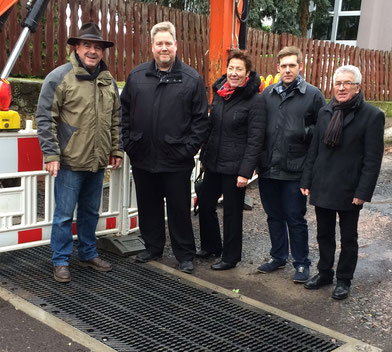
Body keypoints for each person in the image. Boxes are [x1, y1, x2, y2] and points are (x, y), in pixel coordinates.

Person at [35, 23, 122, 283]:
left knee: (90, 212)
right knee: (63, 215)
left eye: (98, 47)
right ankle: (60, 260)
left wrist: (115, 148)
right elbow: (45, 117)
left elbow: (116, 118)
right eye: (87, 45)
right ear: (76, 47)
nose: (93, 51)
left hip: (97, 161)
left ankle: (87, 252)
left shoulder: (108, 81)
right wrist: (51, 154)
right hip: (70, 161)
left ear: (103, 52)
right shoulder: (59, 76)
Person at [120, 21, 209, 274]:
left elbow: (200, 121)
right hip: (143, 155)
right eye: (159, 43)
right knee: (148, 206)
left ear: (176, 45)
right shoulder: (137, 76)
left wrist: (187, 149)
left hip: (176, 159)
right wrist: (128, 143)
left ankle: (185, 254)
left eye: (168, 43)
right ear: (152, 46)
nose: (163, 48)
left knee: (179, 209)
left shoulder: (191, 79)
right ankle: (152, 247)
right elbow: (123, 112)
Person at [300, 65, 384, 300]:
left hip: (350, 188)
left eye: (347, 83)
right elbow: (314, 150)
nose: (342, 88)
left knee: (348, 238)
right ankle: (324, 272)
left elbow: (372, 160)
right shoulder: (326, 111)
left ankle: (344, 279)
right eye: (338, 83)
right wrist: (307, 179)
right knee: (324, 234)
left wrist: (363, 191)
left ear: (358, 87)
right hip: (323, 184)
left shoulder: (372, 115)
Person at [257, 46, 326, 282]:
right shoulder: (267, 94)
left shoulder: (313, 95)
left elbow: (320, 136)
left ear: (300, 67)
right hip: (268, 169)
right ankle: (278, 257)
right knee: (273, 215)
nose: (287, 70)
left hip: (295, 170)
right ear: (277, 68)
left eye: (292, 65)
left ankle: (301, 263)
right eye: (283, 66)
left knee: (295, 217)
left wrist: (310, 171)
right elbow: (259, 130)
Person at [197, 50, 265, 270]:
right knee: (205, 203)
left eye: (239, 69)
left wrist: (246, 172)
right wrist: (204, 155)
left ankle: (230, 257)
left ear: (247, 74)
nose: (234, 73)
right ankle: (211, 246)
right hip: (214, 162)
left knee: (232, 212)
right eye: (231, 68)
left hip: (236, 167)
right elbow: (211, 126)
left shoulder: (255, 100)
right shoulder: (220, 93)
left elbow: (256, 139)